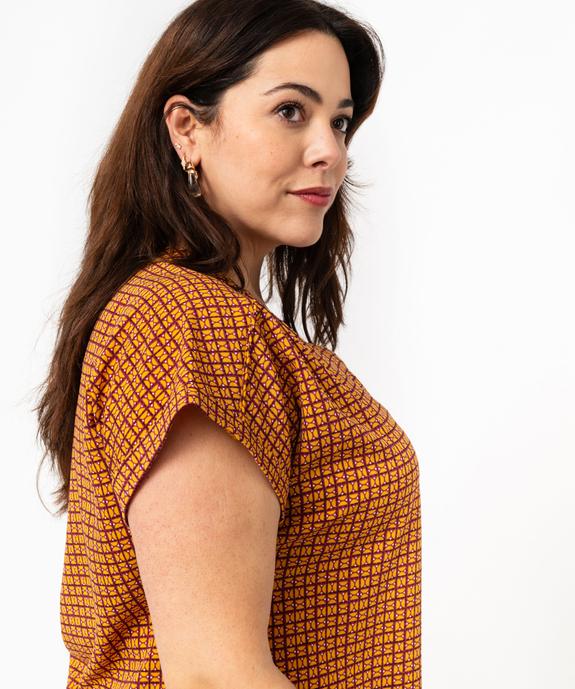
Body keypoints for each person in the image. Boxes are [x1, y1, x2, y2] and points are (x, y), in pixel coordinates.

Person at [35, 1, 422, 687]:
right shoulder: (188, 322)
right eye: (290, 111)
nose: (330, 150)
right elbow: (215, 676)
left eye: (339, 121)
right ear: (188, 129)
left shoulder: (205, 320)